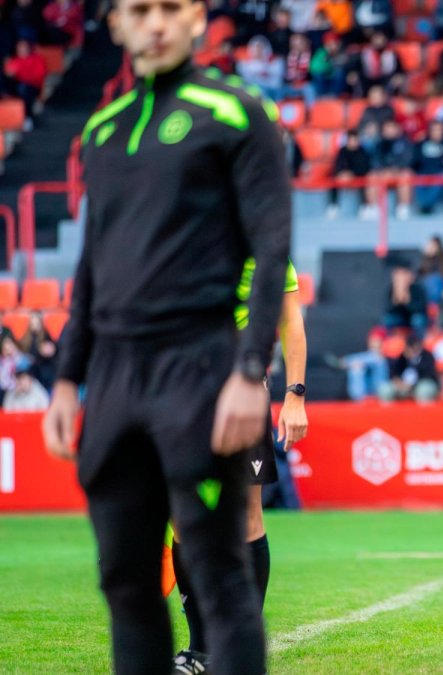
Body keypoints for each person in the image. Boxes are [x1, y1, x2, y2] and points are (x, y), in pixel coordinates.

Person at [42, 0, 290, 668]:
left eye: (171, 8)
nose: (156, 22)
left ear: (197, 19)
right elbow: (93, 265)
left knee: (219, 573)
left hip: (200, 369)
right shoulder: (101, 130)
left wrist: (248, 371)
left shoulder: (239, 113)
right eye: (140, 9)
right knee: (126, 580)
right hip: (116, 380)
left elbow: (273, 252)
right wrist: (67, 379)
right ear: (116, 23)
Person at [173, 258, 308, 673]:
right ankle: (201, 651)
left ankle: (243, 647)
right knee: (182, 516)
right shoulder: (182, 233)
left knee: (247, 514)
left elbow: (291, 324)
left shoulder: (263, 244)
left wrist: (295, 396)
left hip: (242, 386)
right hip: (180, 386)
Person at [327, 130, 373, 219]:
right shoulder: (342, 151)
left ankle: (364, 207)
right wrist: (343, 173)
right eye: (351, 140)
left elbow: (365, 167)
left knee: (364, 182)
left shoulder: (362, 152)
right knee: (334, 180)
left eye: (355, 140)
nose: (353, 142)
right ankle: (333, 206)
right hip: (345, 177)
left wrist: (353, 174)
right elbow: (338, 166)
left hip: (358, 176)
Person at [3, 40, 47, 131]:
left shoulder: (37, 59)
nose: (22, 50)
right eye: (19, 48)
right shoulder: (14, 61)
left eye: (24, 48)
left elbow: (39, 75)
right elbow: (8, 74)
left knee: (25, 90)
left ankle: (27, 117)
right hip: (16, 88)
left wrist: (22, 76)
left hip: (32, 87)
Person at [383, 266, 429, 332]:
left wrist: (407, 300)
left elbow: (420, 308)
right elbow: (389, 309)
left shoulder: (417, 289)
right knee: (388, 319)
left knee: (417, 320)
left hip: (415, 317)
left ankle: (419, 340)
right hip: (402, 318)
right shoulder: (392, 289)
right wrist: (396, 299)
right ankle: (391, 340)